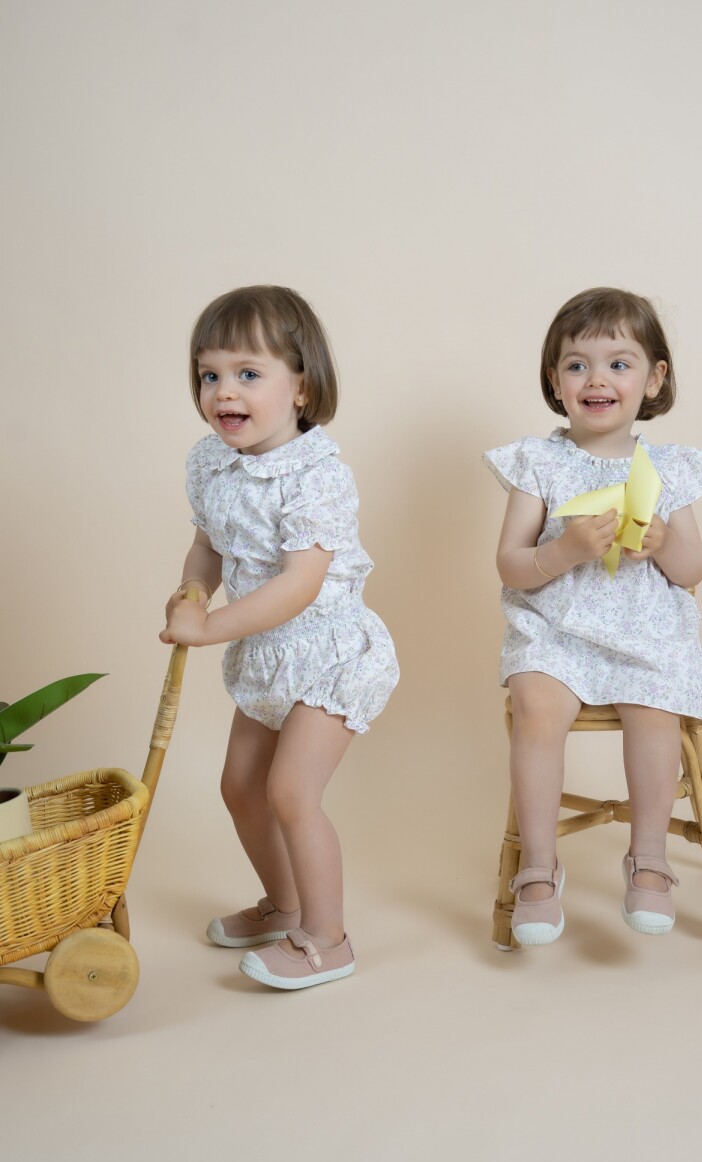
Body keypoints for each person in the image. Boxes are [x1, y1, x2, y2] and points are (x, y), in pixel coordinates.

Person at [161, 285, 399, 989]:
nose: (223, 392)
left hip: (329, 652)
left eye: (248, 374)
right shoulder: (212, 464)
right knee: (241, 786)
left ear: (301, 385)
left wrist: (208, 629)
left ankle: (328, 937)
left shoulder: (317, 476)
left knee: (293, 791)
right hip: (268, 654)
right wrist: (193, 593)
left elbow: (298, 584)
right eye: (210, 375)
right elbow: (208, 546)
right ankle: (285, 904)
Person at [484, 287, 702, 945]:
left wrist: (662, 543)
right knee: (538, 708)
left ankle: (647, 858)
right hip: (556, 632)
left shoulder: (667, 469)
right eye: (577, 364)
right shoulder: (538, 463)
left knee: (655, 709)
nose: (597, 379)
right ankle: (539, 868)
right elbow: (511, 563)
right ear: (554, 380)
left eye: (619, 363)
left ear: (654, 378)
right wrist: (563, 550)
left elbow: (693, 569)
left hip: (643, 635)